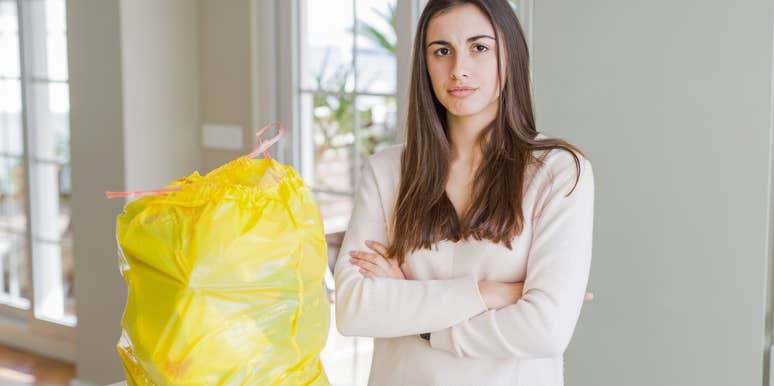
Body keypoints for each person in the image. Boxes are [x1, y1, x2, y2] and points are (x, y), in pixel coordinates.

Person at [333, 1, 595, 385]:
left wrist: (420, 322)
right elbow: (355, 309)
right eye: (442, 51)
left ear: (511, 55)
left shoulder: (558, 172)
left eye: (479, 47)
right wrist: (492, 293)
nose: (458, 69)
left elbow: (545, 329)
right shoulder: (387, 171)